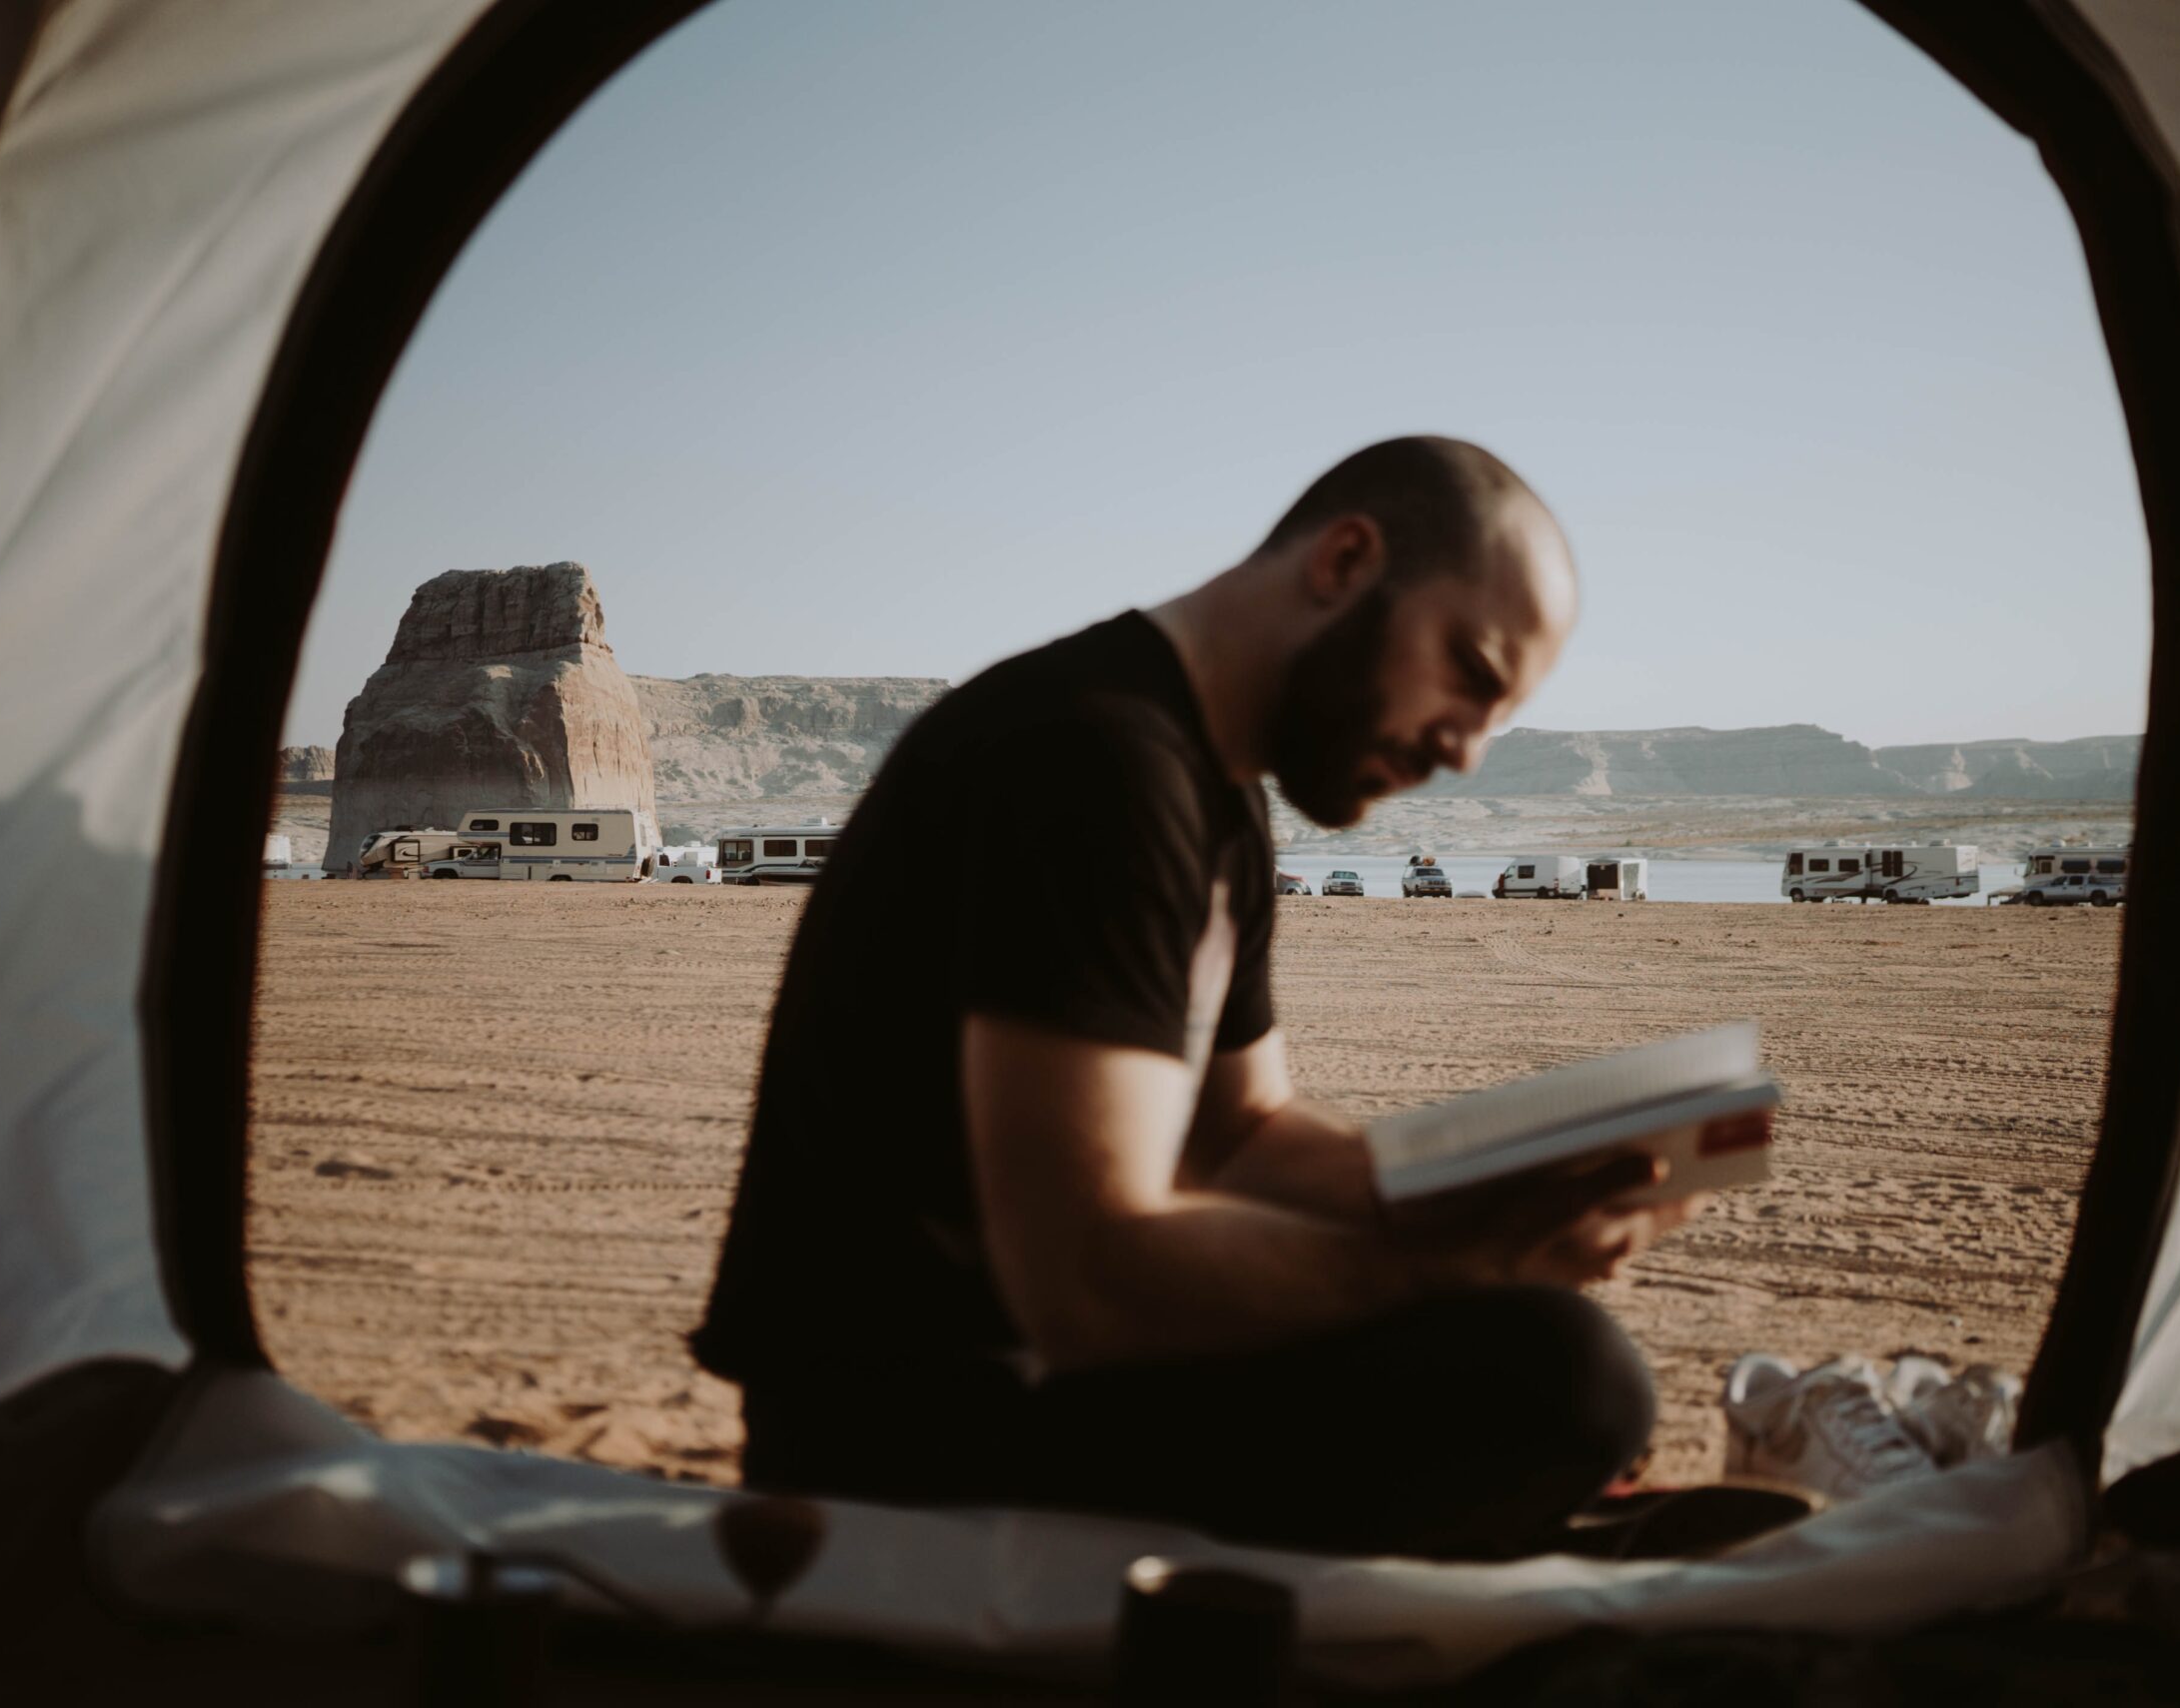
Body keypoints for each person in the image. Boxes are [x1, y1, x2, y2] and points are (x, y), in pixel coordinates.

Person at [692, 436, 1749, 1557]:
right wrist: (1459, 1265)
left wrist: (1491, 1189)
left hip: (1027, 1374)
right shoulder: (1090, 757)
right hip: (901, 1426)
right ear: (1345, 561)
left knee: (1536, 1360)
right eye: (1471, 675)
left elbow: (1242, 1136)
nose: (1468, 751)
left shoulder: (1218, 797)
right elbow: (1082, 1283)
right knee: (1563, 1378)